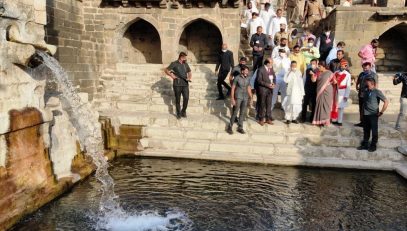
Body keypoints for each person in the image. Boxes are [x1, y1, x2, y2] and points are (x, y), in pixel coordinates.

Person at [357, 78, 388, 152]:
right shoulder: (366, 91)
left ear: (373, 84)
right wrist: (361, 114)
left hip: (373, 114)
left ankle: (373, 145)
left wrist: (381, 112)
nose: (366, 86)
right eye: (366, 85)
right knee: (366, 130)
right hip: (365, 114)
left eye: (368, 85)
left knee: (374, 131)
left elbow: (386, 101)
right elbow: (364, 103)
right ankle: (365, 144)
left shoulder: (377, 92)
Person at [165, 52, 192, 119]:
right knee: (178, 99)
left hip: (185, 84)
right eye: (184, 57)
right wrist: (172, 76)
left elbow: (189, 72)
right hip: (177, 84)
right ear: (181, 57)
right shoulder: (174, 63)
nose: (185, 58)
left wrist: (189, 78)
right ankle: (178, 113)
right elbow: (166, 70)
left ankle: (183, 111)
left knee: (186, 98)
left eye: (185, 57)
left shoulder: (185, 64)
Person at [227, 65, 253, 134]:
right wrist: (232, 98)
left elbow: (248, 88)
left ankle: (240, 127)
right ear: (242, 71)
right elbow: (232, 88)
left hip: (245, 97)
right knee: (235, 112)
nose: (247, 72)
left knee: (242, 113)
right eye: (246, 71)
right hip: (238, 97)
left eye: (248, 71)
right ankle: (230, 127)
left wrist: (251, 97)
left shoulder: (248, 78)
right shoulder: (237, 78)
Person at [355, 62, 378, 127]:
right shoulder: (361, 74)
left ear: (370, 67)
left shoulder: (374, 75)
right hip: (361, 94)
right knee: (361, 108)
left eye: (367, 68)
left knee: (367, 109)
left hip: (369, 94)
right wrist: (356, 86)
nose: (365, 69)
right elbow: (358, 81)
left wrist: (374, 93)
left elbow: (376, 84)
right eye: (364, 68)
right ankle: (362, 122)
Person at [312, 61, 334, 126]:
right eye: (318, 66)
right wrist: (312, 75)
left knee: (326, 106)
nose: (318, 67)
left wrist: (329, 83)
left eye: (320, 66)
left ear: (324, 66)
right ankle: (319, 120)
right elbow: (313, 80)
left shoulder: (330, 73)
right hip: (320, 91)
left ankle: (326, 121)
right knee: (319, 105)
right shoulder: (317, 72)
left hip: (328, 91)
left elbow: (335, 81)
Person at [331, 60, 351, 126]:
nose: (342, 67)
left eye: (343, 66)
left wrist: (346, 95)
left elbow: (348, 86)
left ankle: (339, 121)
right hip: (335, 91)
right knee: (334, 106)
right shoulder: (336, 72)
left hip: (342, 92)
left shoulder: (348, 75)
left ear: (345, 67)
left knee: (341, 108)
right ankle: (334, 119)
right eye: (341, 65)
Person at [256, 58, 276, 125]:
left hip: (270, 90)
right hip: (263, 90)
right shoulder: (260, 69)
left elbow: (274, 77)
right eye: (271, 63)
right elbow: (259, 80)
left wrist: (274, 84)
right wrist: (268, 85)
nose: (272, 64)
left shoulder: (271, 69)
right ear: (267, 63)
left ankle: (268, 118)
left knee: (269, 104)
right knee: (262, 104)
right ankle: (261, 119)